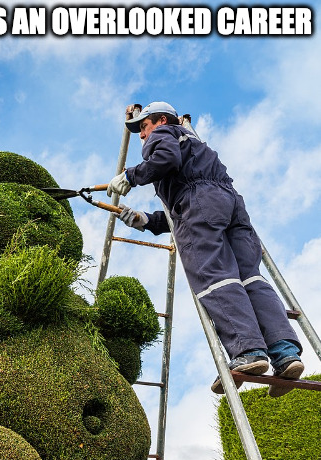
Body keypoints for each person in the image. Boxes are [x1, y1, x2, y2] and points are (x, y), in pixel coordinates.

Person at [107, 101, 304, 398]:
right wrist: (145, 220)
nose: (142, 136)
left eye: (144, 127)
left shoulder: (164, 136)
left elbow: (173, 170)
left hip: (201, 203)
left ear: (161, 120)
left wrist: (131, 176)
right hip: (230, 204)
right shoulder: (196, 145)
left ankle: (249, 350)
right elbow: (188, 205)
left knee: (214, 276)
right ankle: (285, 352)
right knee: (250, 277)